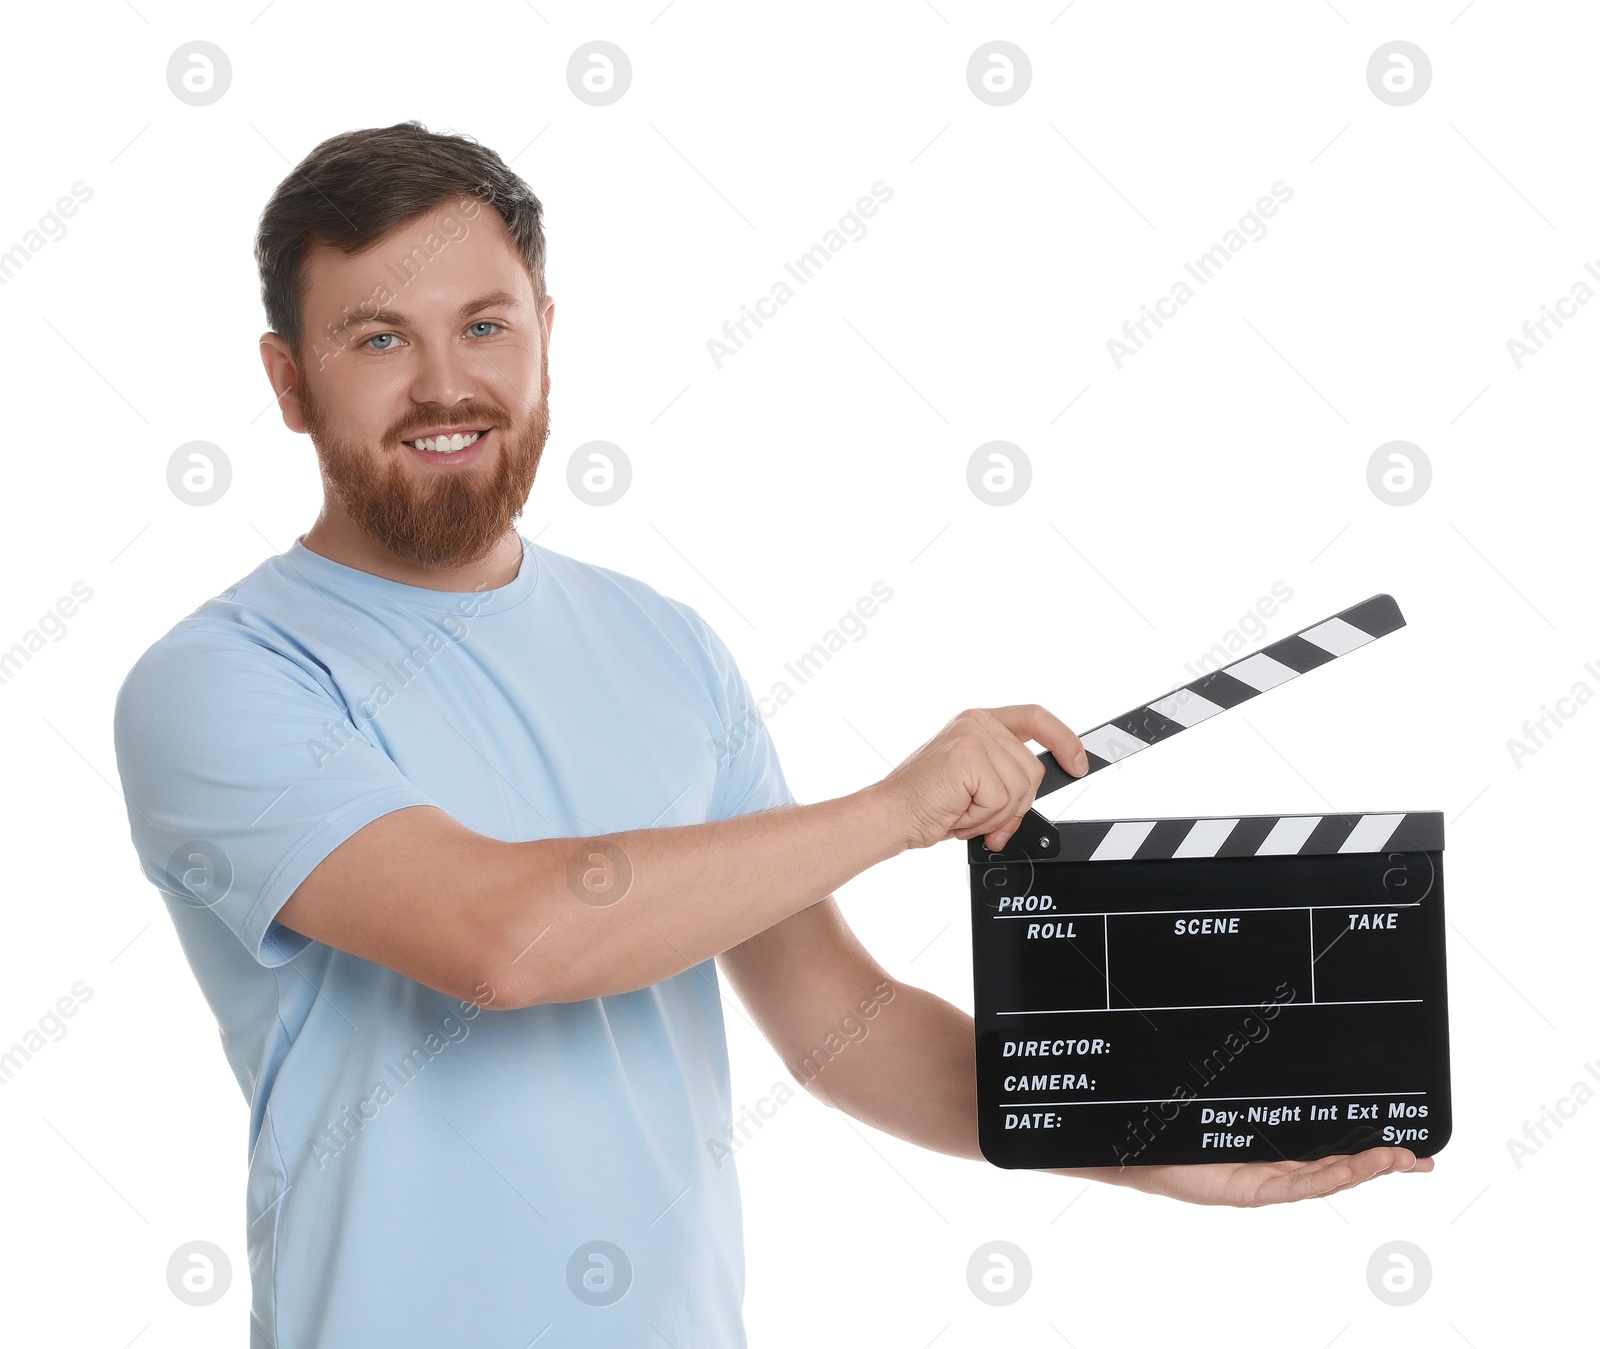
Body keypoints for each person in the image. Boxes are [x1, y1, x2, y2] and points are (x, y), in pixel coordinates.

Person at [112, 120, 1431, 1348]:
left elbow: (838, 1020)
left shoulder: (665, 645)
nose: (447, 382)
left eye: (486, 324)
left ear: (548, 336)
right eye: (379, 339)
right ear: (288, 380)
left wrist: (1144, 1130)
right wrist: (893, 809)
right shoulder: (221, 679)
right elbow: (500, 939)